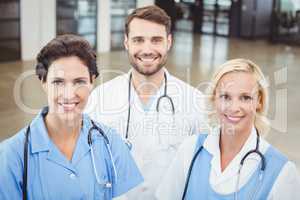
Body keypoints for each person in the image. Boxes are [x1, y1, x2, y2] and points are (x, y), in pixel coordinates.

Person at [0, 34, 143, 200]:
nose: (68, 94)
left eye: (79, 82)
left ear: (92, 81)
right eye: (58, 82)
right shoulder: (11, 156)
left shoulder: (111, 142)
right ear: (43, 82)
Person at [85, 5, 206, 200]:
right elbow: (90, 166)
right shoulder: (100, 99)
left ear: (169, 42)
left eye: (156, 40)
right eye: (138, 40)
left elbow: (202, 170)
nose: (147, 49)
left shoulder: (195, 102)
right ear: (126, 43)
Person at [156, 58, 300, 199]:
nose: (234, 108)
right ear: (214, 99)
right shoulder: (190, 150)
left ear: (259, 102)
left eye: (245, 97)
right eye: (225, 96)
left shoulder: (282, 172)